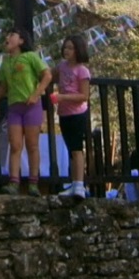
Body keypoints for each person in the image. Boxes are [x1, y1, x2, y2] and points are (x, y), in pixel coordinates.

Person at [0, 28, 51, 196]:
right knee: (15, 145)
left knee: (32, 145)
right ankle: (13, 183)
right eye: (7, 35)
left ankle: (33, 183)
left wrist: (36, 94)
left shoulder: (31, 57)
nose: (7, 37)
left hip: (32, 107)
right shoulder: (6, 63)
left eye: (11, 35)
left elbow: (47, 75)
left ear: (21, 41)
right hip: (14, 107)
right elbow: (3, 86)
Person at [51, 34, 92, 200]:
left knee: (76, 149)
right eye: (65, 47)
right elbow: (48, 75)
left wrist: (62, 97)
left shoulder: (82, 71)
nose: (66, 50)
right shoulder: (61, 67)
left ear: (78, 50)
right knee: (70, 149)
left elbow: (84, 95)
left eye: (70, 48)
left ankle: (79, 185)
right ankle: (74, 183)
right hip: (64, 113)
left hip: (77, 113)